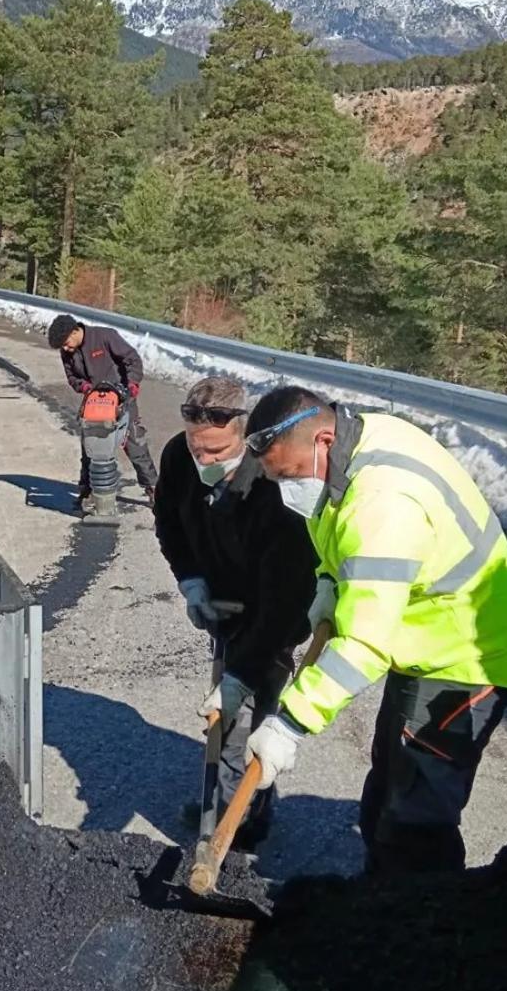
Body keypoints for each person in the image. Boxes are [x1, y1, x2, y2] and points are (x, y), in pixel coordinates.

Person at [241, 386, 507, 874]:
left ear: (322, 439)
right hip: (423, 639)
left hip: (468, 655)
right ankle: (381, 901)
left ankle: (423, 928)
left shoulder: (381, 500)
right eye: (273, 476)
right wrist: (330, 583)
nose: (284, 487)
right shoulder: (356, 442)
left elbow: (363, 646)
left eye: (289, 473)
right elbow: (341, 540)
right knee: (386, 787)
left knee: (416, 816)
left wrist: (290, 723)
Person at [154, 376, 317, 848]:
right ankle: (230, 804)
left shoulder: (275, 484)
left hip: (275, 610)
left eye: (216, 450)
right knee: (227, 716)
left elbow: (287, 595)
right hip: (219, 600)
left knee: (246, 711)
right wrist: (191, 581)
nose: (203, 460)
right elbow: (169, 522)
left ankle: (235, 820)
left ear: (244, 437)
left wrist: (242, 672)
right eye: (195, 446)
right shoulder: (178, 457)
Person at [46, 313, 158, 507]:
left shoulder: (105, 337)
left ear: (75, 331)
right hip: (94, 404)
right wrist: (84, 387)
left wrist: (132, 383)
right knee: (90, 447)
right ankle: (87, 491)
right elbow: (72, 377)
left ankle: (154, 489)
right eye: (62, 347)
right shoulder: (67, 352)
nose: (65, 349)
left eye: (66, 343)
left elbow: (132, 359)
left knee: (134, 445)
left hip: (121, 399)